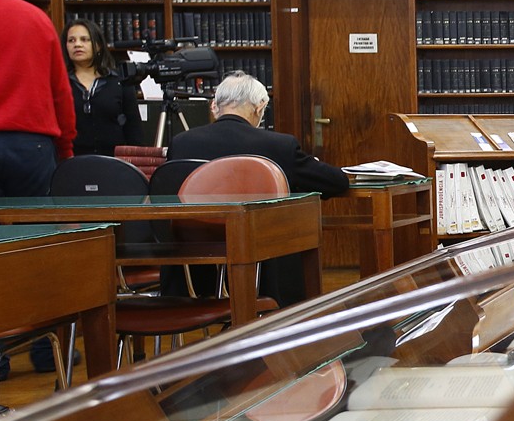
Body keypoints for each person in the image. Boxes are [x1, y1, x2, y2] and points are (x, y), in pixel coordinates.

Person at [167, 71, 348, 306]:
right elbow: (336, 182)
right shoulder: (279, 146)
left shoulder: (180, 143)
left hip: (195, 266)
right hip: (262, 269)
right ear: (260, 107)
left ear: (215, 106)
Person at [0, 0, 75, 197]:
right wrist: (65, 149)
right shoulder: (35, 18)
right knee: (38, 233)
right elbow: (60, 91)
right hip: (32, 147)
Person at [66, 18, 144, 157]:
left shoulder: (119, 81)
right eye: (71, 40)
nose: (77, 44)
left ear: (98, 45)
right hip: (70, 162)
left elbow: (134, 128)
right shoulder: (60, 83)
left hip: (114, 163)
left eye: (84, 40)